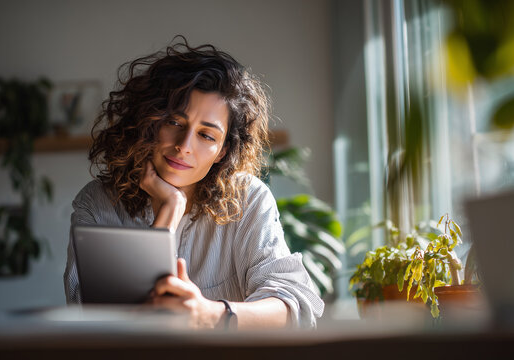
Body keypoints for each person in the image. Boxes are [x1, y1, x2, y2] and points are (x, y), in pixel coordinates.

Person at [64, 37, 324, 329]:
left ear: (222, 151)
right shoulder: (97, 204)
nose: (184, 146)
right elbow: (95, 321)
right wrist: (169, 213)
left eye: (206, 135)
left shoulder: (248, 199)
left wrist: (210, 314)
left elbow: (295, 308)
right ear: (149, 121)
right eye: (174, 123)